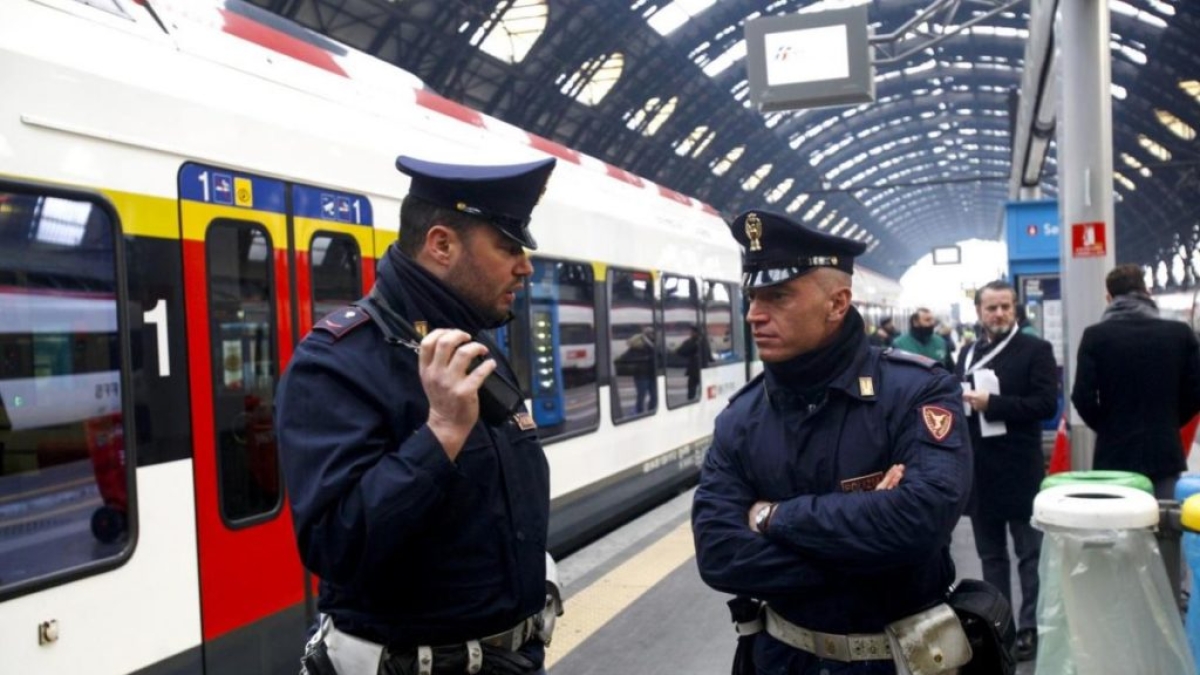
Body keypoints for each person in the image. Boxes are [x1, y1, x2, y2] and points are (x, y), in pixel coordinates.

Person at [276, 155, 561, 675]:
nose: (525, 266)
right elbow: (336, 544)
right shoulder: (337, 362)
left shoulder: (477, 349)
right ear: (441, 244)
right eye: (508, 246)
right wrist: (442, 433)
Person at [692, 210, 973, 674]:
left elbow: (925, 518)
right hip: (782, 661)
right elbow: (719, 555)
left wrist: (771, 516)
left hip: (900, 662)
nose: (753, 314)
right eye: (752, 297)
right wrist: (876, 553)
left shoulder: (917, 392)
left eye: (778, 296)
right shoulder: (740, 419)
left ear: (838, 303)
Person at [956, 280, 1058, 662]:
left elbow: (1045, 404)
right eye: (991, 308)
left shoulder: (1035, 349)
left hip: (1018, 469)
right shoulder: (967, 352)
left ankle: (1030, 626)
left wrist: (992, 404)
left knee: (1029, 554)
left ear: (1015, 309)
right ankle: (1001, 626)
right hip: (979, 473)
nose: (998, 314)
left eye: (1004, 307)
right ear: (979, 312)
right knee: (991, 557)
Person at [1071, 263, 1200, 500]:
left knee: (1120, 527)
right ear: (1147, 292)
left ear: (1108, 298)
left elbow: (1081, 397)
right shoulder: (1179, 334)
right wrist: (1169, 420)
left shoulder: (1095, 336)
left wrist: (1109, 426)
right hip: (1164, 451)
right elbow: (1196, 392)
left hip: (1114, 455)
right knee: (1163, 526)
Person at [676, 325, 713, 400]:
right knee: (692, 391)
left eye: (693, 332)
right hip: (695, 370)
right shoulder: (693, 342)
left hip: (700, 370)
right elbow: (680, 351)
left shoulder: (702, 342)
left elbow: (708, 355)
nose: (691, 333)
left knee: (701, 390)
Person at [626, 326, 658, 413]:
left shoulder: (654, 344)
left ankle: (652, 411)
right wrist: (645, 358)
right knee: (641, 395)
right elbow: (629, 358)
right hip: (641, 375)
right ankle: (640, 411)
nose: (652, 335)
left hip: (651, 374)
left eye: (652, 333)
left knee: (654, 395)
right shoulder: (637, 346)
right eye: (650, 334)